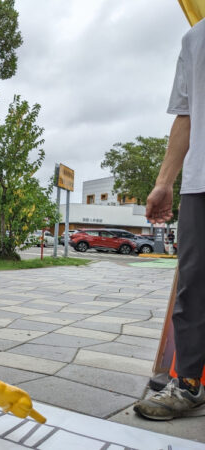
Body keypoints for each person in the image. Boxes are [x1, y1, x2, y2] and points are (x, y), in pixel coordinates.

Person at [134, 18, 205, 420]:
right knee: (194, 286)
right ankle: (189, 384)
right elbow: (186, 114)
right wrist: (164, 182)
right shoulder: (196, 38)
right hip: (201, 181)